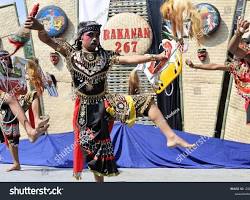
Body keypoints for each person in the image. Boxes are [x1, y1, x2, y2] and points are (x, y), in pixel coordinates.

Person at [24, 18, 195, 182]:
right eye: (90, 35)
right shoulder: (70, 53)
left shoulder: (106, 56)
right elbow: (46, 39)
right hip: (86, 111)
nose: (94, 39)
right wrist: (40, 28)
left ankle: (171, 136)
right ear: (81, 37)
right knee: (96, 151)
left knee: (145, 101)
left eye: (97, 35)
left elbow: (128, 59)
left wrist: (154, 57)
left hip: (106, 102)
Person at [186, 17, 250, 124]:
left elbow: (232, 49)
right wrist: (195, 66)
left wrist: (238, 33)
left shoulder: (248, 58)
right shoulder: (236, 66)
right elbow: (214, 66)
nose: (239, 50)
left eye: (242, 47)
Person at [0, 51, 49, 171]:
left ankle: (36, 122)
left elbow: (23, 90)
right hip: (4, 103)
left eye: (6, 58)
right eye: (1, 59)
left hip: (17, 102)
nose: (4, 61)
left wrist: (40, 76)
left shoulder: (16, 71)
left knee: (33, 94)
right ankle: (16, 163)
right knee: (11, 135)